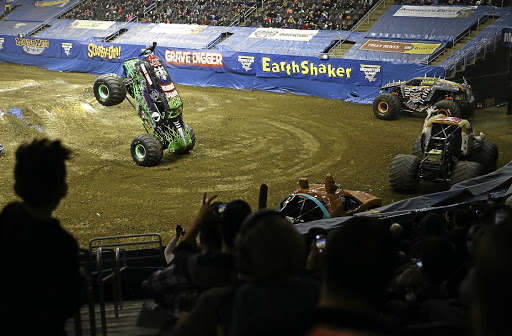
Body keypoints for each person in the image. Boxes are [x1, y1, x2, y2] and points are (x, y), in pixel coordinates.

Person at [0, 139, 86, 336]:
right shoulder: (61, 243)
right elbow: (69, 302)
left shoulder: (8, 216)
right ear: (64, 190)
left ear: (16, 189)